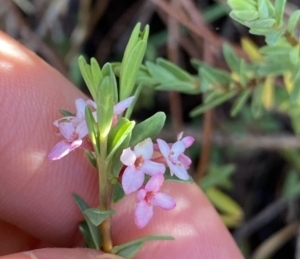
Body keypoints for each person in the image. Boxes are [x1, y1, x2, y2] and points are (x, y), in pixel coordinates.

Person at [0, 31, 244, 259]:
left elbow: (138, 171)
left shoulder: (143, 170)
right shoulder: (130, 159)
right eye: (139, 160)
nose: (141, 161)